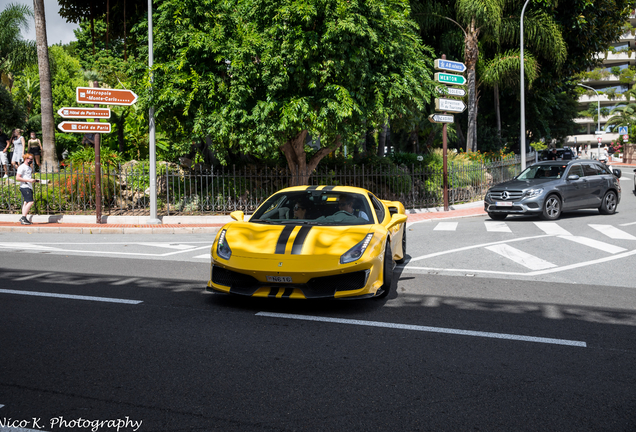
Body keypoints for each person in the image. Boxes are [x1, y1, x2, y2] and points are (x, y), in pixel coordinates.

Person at [15, 153, 40, 225]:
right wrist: (29, 180)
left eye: (32, 159)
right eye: (30, 159)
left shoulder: (29, 168)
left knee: (26, 202)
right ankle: (23, 217)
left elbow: (27, 177)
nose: (32, 160)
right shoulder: (22, 167)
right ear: (26, 159)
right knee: (31, 202)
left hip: (29, 186)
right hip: (24, 186)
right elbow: (17, 178)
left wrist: (35, 180)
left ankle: (23, 217)